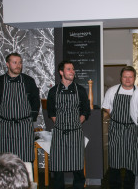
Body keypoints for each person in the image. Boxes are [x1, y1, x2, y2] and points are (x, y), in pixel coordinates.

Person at [47, 60, 91, 189]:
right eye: (69, 69)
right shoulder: (53, 91)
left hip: (76, 132)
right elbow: (51, 112)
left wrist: (76, 123)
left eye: (73, 69)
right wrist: (61, 124)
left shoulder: (80, 90)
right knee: (58, 168)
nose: (72, 71)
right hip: (59, 132)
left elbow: (85, 110)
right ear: (61, 72)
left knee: (77, 167)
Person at [0, 52, 40, 162]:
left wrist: (32, 117)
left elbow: (35, 101)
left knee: (25, 160)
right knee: (5, 160)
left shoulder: (29, 81)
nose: (18, 65)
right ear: (7, 64)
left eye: (20, 63)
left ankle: (26, 179)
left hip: (24, 127)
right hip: (5, 127)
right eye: (14, 63)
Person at [102, 66, 137, 189]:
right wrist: (117, 118)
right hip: (116, 129)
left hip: (133, 130)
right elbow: (106, 107)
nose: (127, 79)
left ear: (134, 78)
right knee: (115, 162)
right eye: (125, 76)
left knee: (132, 162)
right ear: (121, 78)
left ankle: (129, 186)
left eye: (130, 77)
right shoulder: (112, 91)